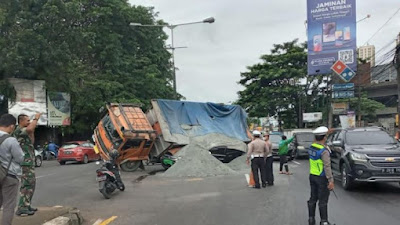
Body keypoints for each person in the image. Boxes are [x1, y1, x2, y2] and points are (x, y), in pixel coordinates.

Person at [14, 113, 41, 216]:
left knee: (31, 183)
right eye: (27, 121)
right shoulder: (18, 130)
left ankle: (27, 204)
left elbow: (32, 141)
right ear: (21, 121)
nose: (29, 122)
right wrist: (36, 118)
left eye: (30, 120)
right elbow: (29, 129)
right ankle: (22, 207)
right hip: (24, 162)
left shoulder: (25, 132)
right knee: (26, 183)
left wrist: (32, 131)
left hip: (29, 161)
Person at [0, 114, 25, 225]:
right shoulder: (11, 140)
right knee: (8, 206)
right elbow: (20, 158)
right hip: (9, 176)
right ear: (11, 126)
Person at [307, 126, 335, 225]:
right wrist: (330, 180)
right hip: (322, 178)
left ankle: (311, 219)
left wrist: (327, 133)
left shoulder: (312, 147)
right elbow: (327, 166)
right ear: (324, 138)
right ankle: (324, 221)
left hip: (312, 176)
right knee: (323, 200)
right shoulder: (324, 151)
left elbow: (317, 140)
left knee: (313, 198)